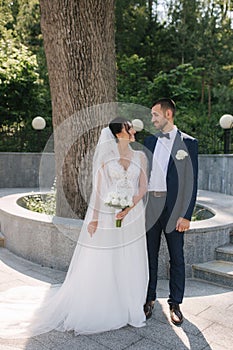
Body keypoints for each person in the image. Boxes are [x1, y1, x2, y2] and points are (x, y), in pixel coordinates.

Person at [0, 117, 149, 338]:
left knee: (131, 257)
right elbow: (99, 191)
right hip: (109, 213)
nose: (134, 130)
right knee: (109, 257)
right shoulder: (106, 158)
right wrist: (96, 218)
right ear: (119, 133)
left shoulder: (140, 156)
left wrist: (128, 208)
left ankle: (130, 304)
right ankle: (108, 303)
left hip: (133, 215)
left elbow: (143, 187)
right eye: (129, 127)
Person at [143, 98, 198, 326]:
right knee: (149, 256)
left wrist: (186, 215)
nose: (152, 119)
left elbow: (191, 183)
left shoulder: (189, 143)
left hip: (175, 211)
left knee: (177, 258)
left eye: (155, 114)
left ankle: (175, 303)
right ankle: (149, 299)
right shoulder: (149, 141)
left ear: (168, 114)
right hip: (151, 207)